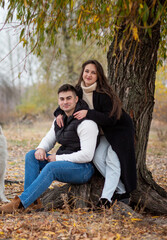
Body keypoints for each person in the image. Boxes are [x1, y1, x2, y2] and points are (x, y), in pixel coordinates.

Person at [0, 84, 99, 213]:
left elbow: (87, 155)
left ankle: (20, 204)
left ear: (76, 99)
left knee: (51, 167)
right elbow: (49, 139)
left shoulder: (87, 123)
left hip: (83, 169)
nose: (65, 102)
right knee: (31, 155)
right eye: (62, 99)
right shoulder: (59, 120)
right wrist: (41, 149)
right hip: (64, 164)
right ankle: (32, 202)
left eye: (68, 98)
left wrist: (58, 158)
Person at [55, 60, 137, 208]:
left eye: (93, 72)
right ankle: (121, 190)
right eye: (87, 71)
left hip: (119, 131)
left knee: (112, 160)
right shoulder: (78, 91)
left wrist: (89, 113)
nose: (89, 75)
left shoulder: (104, 94)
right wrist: (58, 114)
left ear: (98, 76)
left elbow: (111, 119)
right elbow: (66, 102)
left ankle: (106, 199)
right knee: (98, 158)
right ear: (82, 73)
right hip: (103, 134)